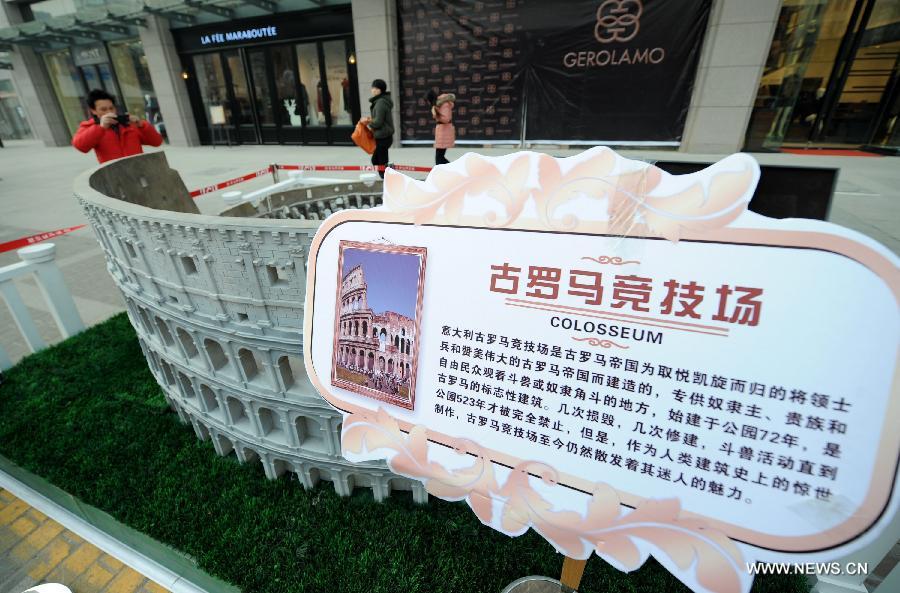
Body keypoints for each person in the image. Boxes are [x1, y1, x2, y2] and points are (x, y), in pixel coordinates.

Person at [72, 89, 163, 164]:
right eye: (103, 109)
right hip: (113, 174)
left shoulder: (128, 123)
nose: (109, 112)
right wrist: (101, 128)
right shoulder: (91, 127)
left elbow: (157, 142)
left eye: (111, 108)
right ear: (93, 111)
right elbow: (81, 146)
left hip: (138, 169)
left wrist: (142, 125)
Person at [363, 79, 394, 178]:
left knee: (380, 163)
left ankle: (387, 181)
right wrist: (370, 120)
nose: (372, 90)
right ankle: (390, 174)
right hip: (383, 135)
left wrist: (367, 122)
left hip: (383, 136)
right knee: (379, 161)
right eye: (372, 88)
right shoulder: (381, 101)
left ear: (379, 90)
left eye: (374, 88)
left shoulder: (380, 102)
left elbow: (378, 122)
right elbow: (379, 120)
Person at [427, 89, 455, 165]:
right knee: (439, 157)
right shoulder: (438, 105)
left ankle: (453, 169)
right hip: (442, 131)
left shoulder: (444, 104)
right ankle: (450, 170)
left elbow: (446, 119)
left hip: (445, 131)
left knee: (439, 158)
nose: (427, 103)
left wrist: (436, 114)